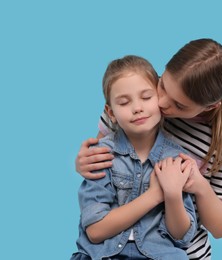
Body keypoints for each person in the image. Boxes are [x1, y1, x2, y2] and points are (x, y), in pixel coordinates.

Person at [76, 38, 222, 259]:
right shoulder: (138, 92)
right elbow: (104, 156)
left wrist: (199, 186)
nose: (162, 103)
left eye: (179, 105)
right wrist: (84, 162)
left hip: (179, 250)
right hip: (112, 245)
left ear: (210, 106)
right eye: (162, 86)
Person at [71, 55, 197, 260]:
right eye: (124, 102)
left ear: (160, 99)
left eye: (146, 97)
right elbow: (95, 231)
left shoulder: (176, 158)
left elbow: (181, 237)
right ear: (111, 113)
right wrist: (155, 195)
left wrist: (172, 195)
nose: (137, 107)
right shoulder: (101, 155)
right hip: (102, 254)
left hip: (158, 255)